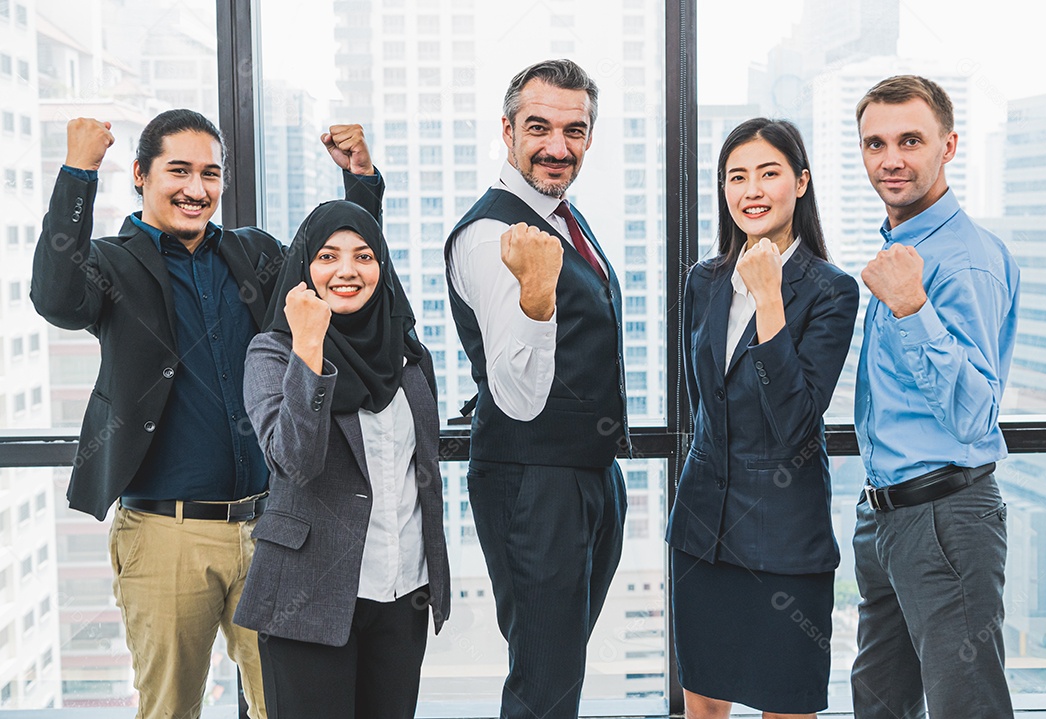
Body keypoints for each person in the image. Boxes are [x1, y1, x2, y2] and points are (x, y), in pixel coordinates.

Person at [30, 110, 383, 719]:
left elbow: (344, 270)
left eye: (211, 174)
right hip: (167, 535)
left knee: (291, 705)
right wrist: (78, 171)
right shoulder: (112, 264)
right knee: (170, 710)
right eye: (179, 171)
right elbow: (56, 298)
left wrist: (360, 182)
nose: (197, 189)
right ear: (140, 175)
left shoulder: (255, 255)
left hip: (271, 531)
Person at [444, 58, 629, 719]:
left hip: (586, 474)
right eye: (539, 126)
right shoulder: (491, 233)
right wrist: (538, 297)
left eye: (574, 129)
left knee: (559, 668)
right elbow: (518, 393)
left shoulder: (560, 217)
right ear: (507, 128)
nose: (558, 146)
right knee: (543, 684)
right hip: (533, 481)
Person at [667, 118, 859, 718]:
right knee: (702, 706)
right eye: (736, 176)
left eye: (769, 173)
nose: (751, 189)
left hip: (784, 538)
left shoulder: (831, 290)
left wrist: (770, 300)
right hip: (702, 531)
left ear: (800, 183)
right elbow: (705, 402)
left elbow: (795, 421)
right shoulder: (705, 280)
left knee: (786, 708)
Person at [234, 200, 450, 718]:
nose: (347, 271)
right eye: (328, 256)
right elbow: (295, 462)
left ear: (383, 268)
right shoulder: (273, 353)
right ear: (305, 268)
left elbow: (422, 468)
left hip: (403, 591)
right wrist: (309, 347)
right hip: (307, 596)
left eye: (364, 256)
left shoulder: (409, 356)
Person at [850, 75, 1020, 718]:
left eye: (910, 140)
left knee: (966, 707)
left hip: (945, 515)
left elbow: (975, 413)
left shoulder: (960, 259)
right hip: (890, 514)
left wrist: (913, 306)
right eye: (875, 143)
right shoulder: (903, 247)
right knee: (881, 705)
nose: (891, 159)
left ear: (948, 146)